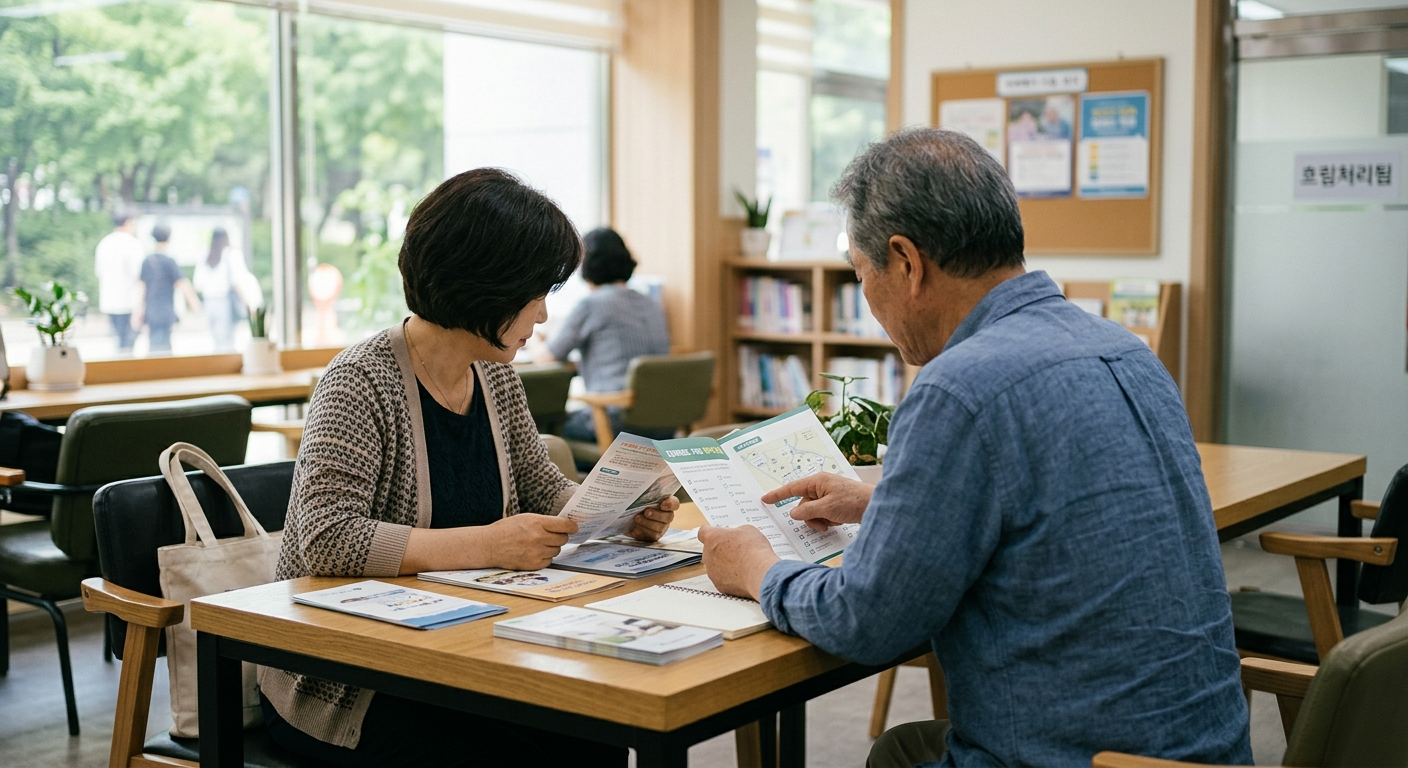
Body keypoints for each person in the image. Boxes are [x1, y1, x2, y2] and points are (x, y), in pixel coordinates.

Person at [698, 129, 1251, 767]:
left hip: (1070, 757)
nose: (868, 300)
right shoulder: (1127, 350)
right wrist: (886, 502)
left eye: (861, 274)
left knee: (898, 753)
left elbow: (866, 623)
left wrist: (755, 567)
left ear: (906, 262)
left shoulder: (958, 390)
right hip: (1203, 752)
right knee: (902, 748)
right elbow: (1059, 510)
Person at [262, 168, 677, 768]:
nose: (542, 314)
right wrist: (486, 544)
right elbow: (327, 539)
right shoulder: (357, 382)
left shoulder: (495, 376)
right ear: (486, 285)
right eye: (535, 293)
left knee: (597, 734)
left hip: (465, 647)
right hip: (351, 679)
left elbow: (542, 488)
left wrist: (619, 513)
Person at [540, 227, 670, 447]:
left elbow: (547, 357)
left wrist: (537, 340)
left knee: (546, 424)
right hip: (664, 423)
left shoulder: (592, 304)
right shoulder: (651, 303)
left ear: (587, 265)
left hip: (616, 424)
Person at [133, 223, 200, 355]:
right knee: (164, 348)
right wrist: (196, 305)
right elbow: (183, 283)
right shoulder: (169, 261)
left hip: (151, 311)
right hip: (166, 311)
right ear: (169, 238)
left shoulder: (147, 261)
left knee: (154, 344)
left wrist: (137, 311)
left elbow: (141, 288)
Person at [192, 227, 257, 352]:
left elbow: (198, 283)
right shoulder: (230, 253)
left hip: (209, 302)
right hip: (225, 301)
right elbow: (237, 282)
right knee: (228, 342)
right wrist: (247, 303)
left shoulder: (205, 254)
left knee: (217, 340)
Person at [93, 213, 143, 354]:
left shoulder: (104, 244)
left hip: (110, 303)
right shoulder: (133, 244)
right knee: (128, 345)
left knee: (118, 343)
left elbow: (99, 273)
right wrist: (140, 306)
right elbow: (139, 278)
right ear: (128, 222)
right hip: (129, 303)